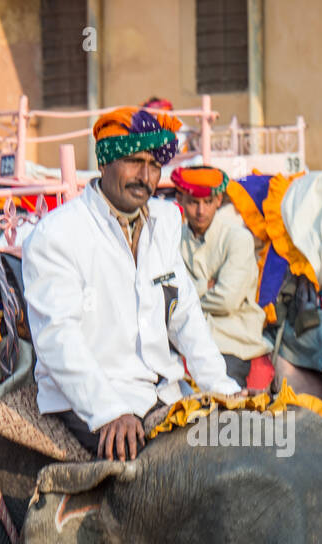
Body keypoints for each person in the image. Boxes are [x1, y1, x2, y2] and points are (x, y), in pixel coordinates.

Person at [22, 107, 241, 460]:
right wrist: (108, 411)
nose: (145, 176)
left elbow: (184, 313)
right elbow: (58, 336)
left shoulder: (166, 220)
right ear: (103, 163)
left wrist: (222, 388)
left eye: (154, 165)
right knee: (162, 474)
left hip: (164, 391)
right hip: (97, 398)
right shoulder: (57, 235)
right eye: (133, 161)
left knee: (242, 445)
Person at [172, 165, 268, 385]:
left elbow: (227, 301)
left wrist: (190, 292)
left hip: (232, 339)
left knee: (224, 407)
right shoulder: (173, 240)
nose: (201, 211)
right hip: (184, 338)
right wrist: (207, 285)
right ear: (181, 200)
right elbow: (169, 296)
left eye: (207, 202)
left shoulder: (238, 239)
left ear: (218, 201)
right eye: (194, 202)